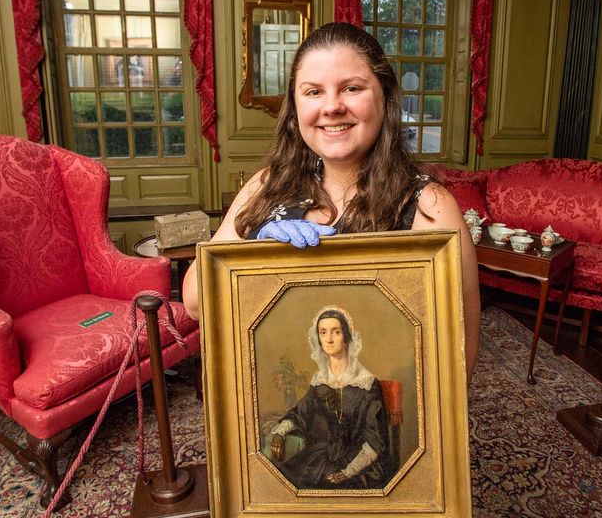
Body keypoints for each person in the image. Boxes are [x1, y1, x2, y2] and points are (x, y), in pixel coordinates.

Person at [182, 22, 481, 382]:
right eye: (313, 92)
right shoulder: (265, 186)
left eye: (352, 88)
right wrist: (253, 258)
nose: (332, 107)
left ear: (384, 97)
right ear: (294, 108)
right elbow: (195, 303)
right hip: (279, 389)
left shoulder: (428, 206)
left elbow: (460, 355)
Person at [264, 306, 395, 489]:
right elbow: (301, 413)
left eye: (336, 332)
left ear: (347, 336)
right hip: (321, 458)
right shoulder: (320, 381)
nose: (329, 339)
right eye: (323, 332)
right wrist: (279, 432)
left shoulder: (367, 384)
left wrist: (347, 472)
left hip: (359, 464)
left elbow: (375, 441)